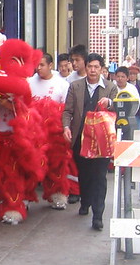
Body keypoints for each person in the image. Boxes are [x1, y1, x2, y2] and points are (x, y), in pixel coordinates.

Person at [62, 53, 117, 230]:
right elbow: (67, 111)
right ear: (85, 68)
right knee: (84, 175)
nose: (92, 70)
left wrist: (110, 102)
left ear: (102, 69)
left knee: (100, 177)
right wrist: (66, 127)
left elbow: (119, 107)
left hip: (101, 140)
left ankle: (98, 215)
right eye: (90, 67)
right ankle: (85, 202)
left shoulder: (110, 87)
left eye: (96, 67)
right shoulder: (75, 86)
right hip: (80, 138)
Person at [28, 53, 74, 210]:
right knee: (29, 165)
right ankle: (25, 197)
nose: (38, 68)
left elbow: (67, 110)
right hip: (33, 133)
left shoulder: (62, 84)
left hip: (54, 135)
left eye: (42, 65)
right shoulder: (29, 82)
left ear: (50, 65)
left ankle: (57, 195)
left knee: (56, 166)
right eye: (37, 65)